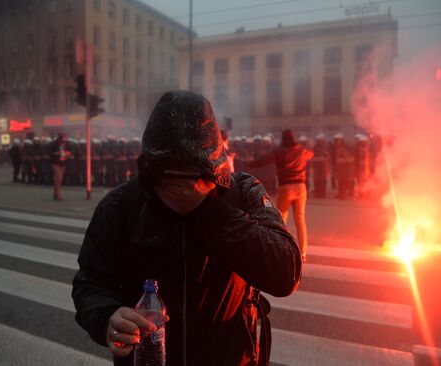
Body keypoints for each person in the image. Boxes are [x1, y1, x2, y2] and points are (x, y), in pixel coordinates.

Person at [72, 91, 301, 366]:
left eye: (191, 179)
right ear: (150, 172)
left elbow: (286, 272)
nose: (179, 194)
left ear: (213, 170)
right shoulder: (122, 204)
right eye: (168, 181)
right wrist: (107, 316)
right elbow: (90, 281)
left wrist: (209, 210)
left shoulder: (242, 193)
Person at [247, 129, 313, 262]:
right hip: (301, 187)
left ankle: (284, 249)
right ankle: (303, 252)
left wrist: (251, 163)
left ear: (283, 138)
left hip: (286, 187)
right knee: (300, 219)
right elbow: (311, 154)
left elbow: (264, 160)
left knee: (281, 219)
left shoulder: (279, 151)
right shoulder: (302, 151)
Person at [48, 133, 71, 200]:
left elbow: (70, 150)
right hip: (55, 162)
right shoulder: (54, 143)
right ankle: (57, 194)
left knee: (59, 179)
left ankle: (55, 193)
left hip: (63, 162)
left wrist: (68, 153)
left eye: (65, 137)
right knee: (58, 177)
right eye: (64, 137)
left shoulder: (66, 143)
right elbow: (49, 151)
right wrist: (55, 153)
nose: (65, 138)